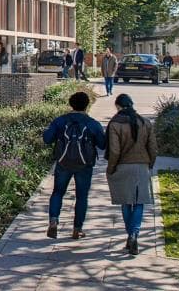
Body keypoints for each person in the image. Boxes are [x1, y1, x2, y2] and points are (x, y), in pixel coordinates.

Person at [42, 91, 106, 240]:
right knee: (82, 196)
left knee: (58, 192)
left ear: (71, 104)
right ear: (87, 105)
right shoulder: (92, 124)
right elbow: (103, 145)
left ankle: (53, 220)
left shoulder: (60, 121)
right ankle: (77, 229)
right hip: (84, 165)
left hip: (63, 163)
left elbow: (47, 139)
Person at [106, 93, 157, 255]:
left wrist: (111, 168)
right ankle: (134, 234)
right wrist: (150, 164)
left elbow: (114, 150)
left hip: (122, 165)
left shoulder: (115, 124)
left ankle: (131, 234)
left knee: (126, 202)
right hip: (142, 165)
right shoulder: (145, 122)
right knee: (140, 201)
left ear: (118, 106)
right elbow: (153, 148)